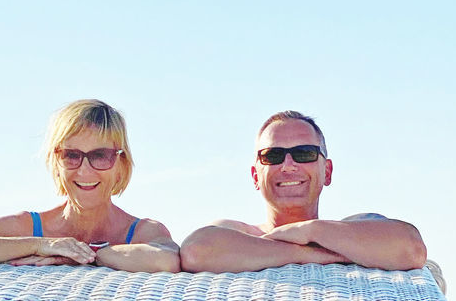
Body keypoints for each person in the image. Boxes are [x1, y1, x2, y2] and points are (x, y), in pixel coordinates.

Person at [0, 100, 180, 274]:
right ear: (55, 162)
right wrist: (41, 244)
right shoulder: (29, 227)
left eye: (100, 155)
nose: (84, 170)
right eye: (71, 155)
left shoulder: (142, 231)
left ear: (121, 165)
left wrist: (82, 253)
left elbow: (168, 260)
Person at [180, 110, 432, 278]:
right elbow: (196, 251)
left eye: (304, 154)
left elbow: (411, 248)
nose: (288, 165)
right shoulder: (238, 233)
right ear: (256, 176)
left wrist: (312, 231)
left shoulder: (356, 227)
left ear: (328, 171)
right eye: (272, 156)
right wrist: (307, 253)